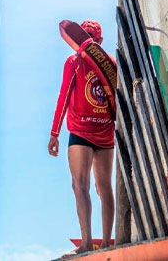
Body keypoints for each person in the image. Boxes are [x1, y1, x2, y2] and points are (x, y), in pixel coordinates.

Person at [48, 20, 115, 257]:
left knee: (81, 185)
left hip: (82, 132)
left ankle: (88, 244)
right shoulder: (111, 65)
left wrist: (55, 133)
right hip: (104, 131)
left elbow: (63, 97)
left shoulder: (74, 61)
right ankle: (105, 243)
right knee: (102, 186)